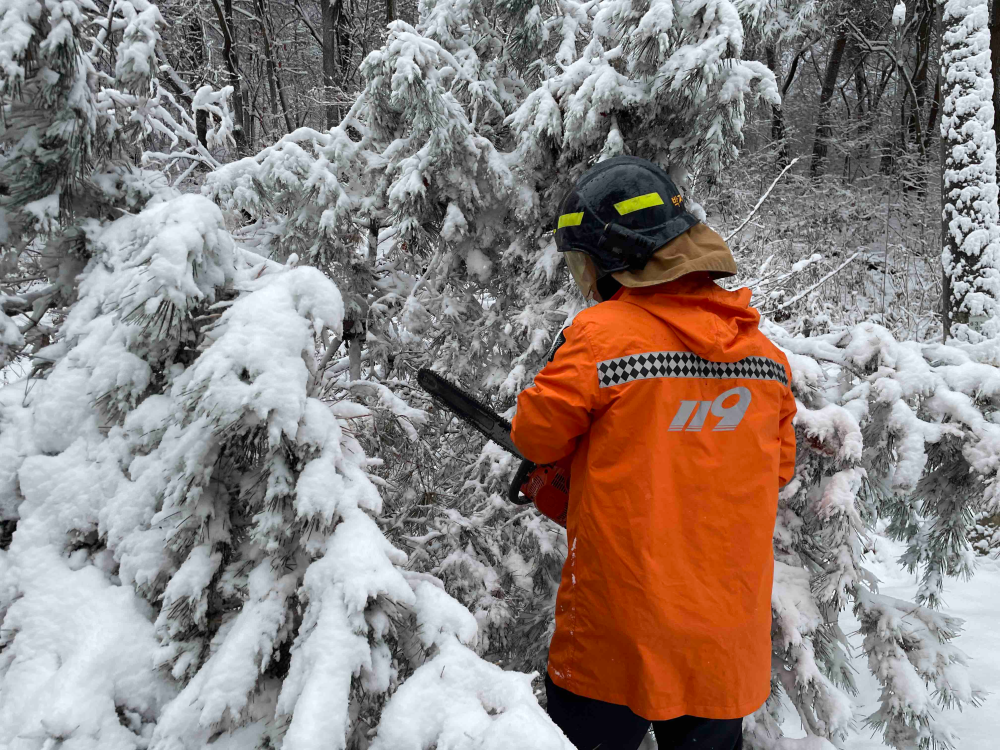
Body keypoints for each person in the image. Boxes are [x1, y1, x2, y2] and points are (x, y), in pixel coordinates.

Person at [509, 156, 797, 750]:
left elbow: (535, 436)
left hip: (615, 639)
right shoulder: (765, 357)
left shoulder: (603, 335)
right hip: (723, 642)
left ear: (614, 258)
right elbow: (779, 471)